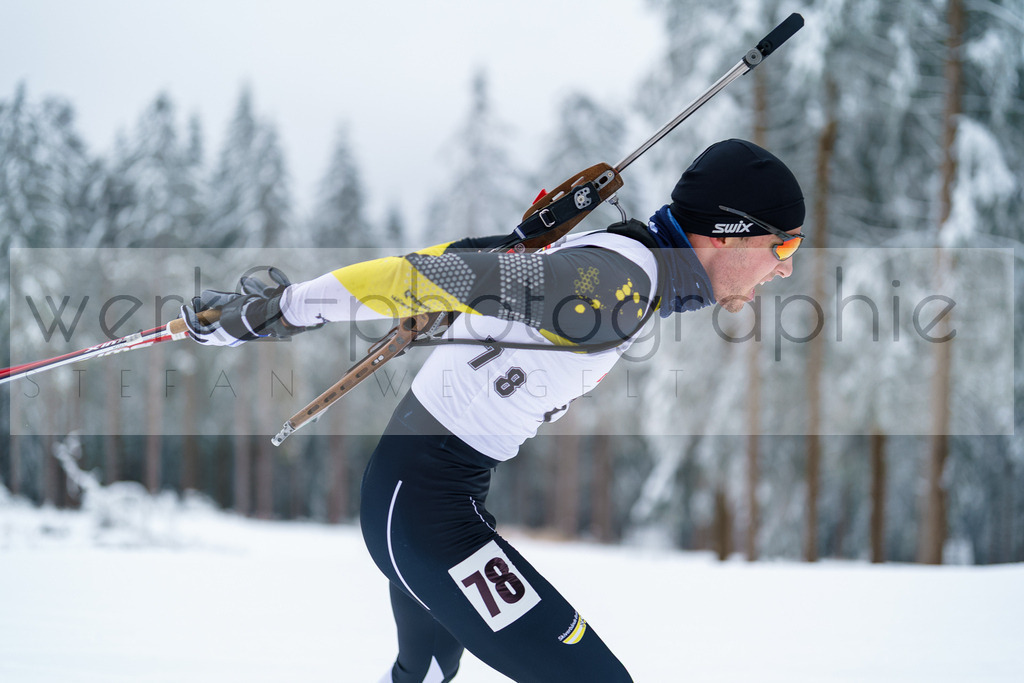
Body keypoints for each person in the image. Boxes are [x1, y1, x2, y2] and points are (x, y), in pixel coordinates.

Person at [181, 138, 805, 682]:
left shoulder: (626, 261)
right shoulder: (619, 288)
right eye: (784, 245)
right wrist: (285, 309)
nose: (787, 267)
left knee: (424, 671)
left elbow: (477, 259)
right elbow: (428, 274)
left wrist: (461, 296)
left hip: (426, 500)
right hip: (427, 512)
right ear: (732, 232)